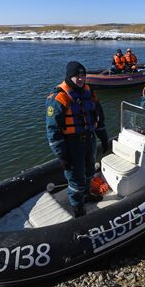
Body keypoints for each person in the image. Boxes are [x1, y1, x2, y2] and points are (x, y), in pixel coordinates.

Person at [46, 61, 108, 218]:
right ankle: (77, 209)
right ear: (69, 77)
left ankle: (86, 195)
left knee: (89, 171)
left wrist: (103, 136)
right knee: (75, 179)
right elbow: (53, 129)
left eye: (83, 76)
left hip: (89, 139)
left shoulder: (89, 91)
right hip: (72, 144)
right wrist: (62, 155)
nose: (81, 79)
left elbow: (98, 115)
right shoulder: (59, 98)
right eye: (77, 76)